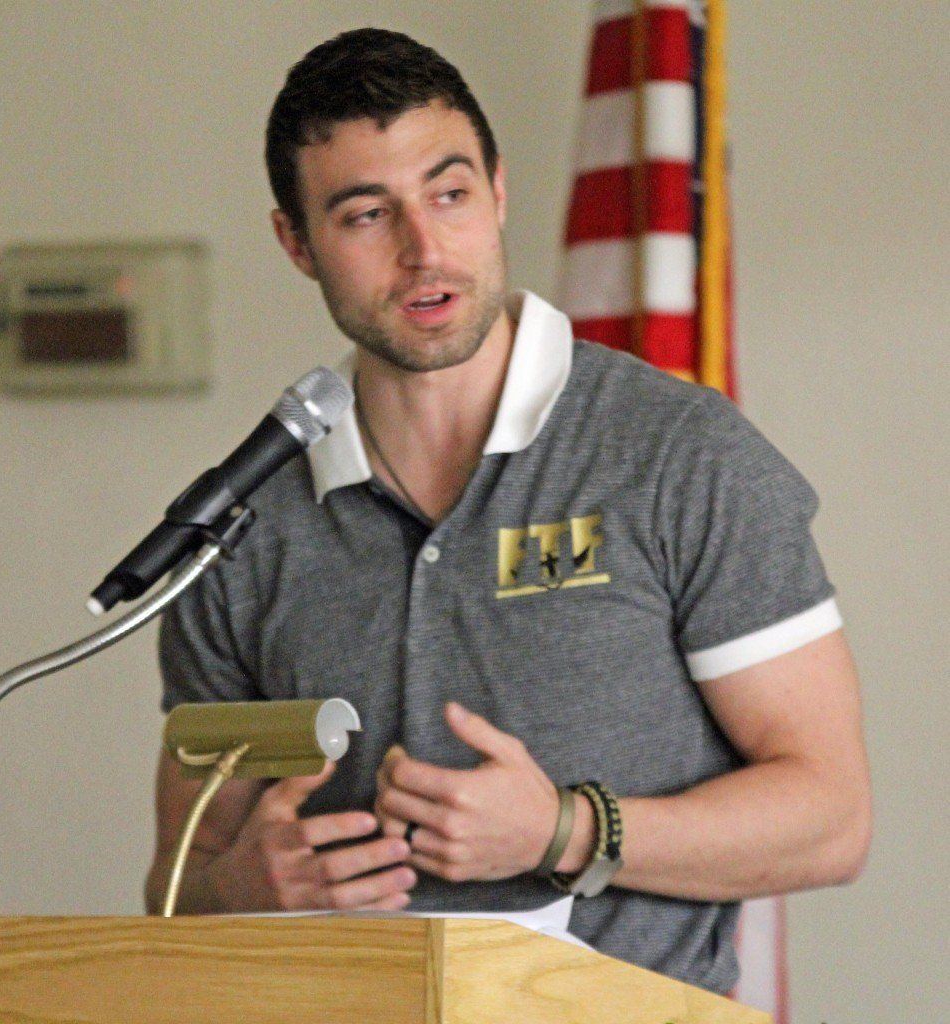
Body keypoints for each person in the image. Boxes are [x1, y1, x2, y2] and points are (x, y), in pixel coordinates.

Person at [146, 28, 871, 994]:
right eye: (366, 215)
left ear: (497, 189)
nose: (423, 249)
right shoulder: (242, 526)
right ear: (296, 243)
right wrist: (240, 889)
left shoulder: (679, 457)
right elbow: (175, 881)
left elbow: (831, 818)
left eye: (448, 195)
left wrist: (561, 830)